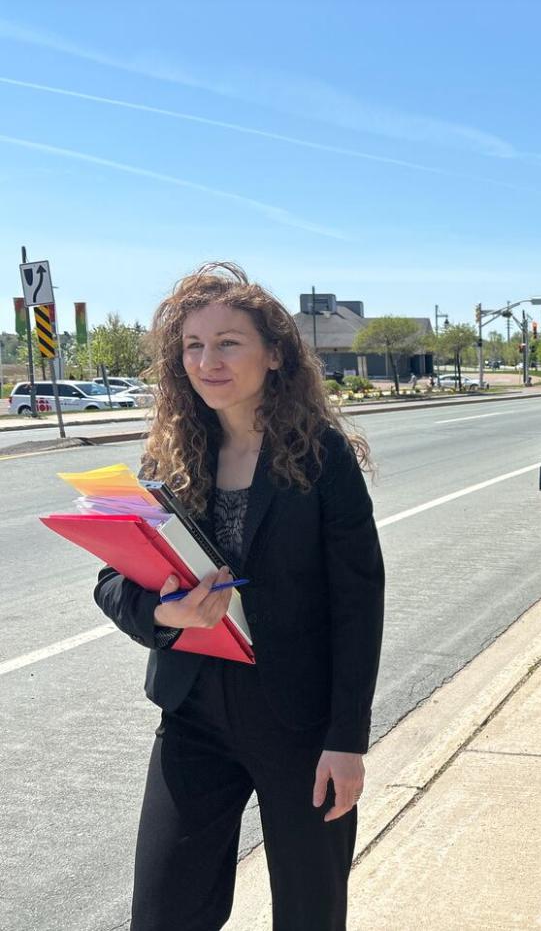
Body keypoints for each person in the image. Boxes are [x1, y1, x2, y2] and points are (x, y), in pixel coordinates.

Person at [93, 263, 385, 930]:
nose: (207, 360)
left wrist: (347, 740)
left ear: (273, 353)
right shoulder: (163, 459)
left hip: (298, 723)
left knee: (309, 915)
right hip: (191, 710)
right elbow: (111, 580)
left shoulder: (321, 457)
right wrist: (162, 614)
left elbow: (358, 603)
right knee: (164, 913)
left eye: (229, 342)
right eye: (193, 345)